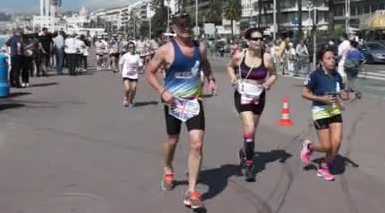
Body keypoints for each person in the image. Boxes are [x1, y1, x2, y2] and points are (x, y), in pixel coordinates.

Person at [145, 13, 215, 210]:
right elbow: (149, 72)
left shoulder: (199, 47)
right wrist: (162, 91)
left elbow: (205, 63)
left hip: (193, 102)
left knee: (197, 144)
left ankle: (191, 191)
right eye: (181, 24)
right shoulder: (166, 50)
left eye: (187, 24)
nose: (185, 27)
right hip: (173, 103)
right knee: (172, 140)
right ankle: (168, 169)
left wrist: (211, 79)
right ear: (174, 27)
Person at [226, 28, 277, 181]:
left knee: (252, 131)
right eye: (255, 39)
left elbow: (274, 74)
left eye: (261, 38)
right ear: (247, 41)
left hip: (259, 95)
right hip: (243, 95)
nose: (259, 41)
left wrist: (268, 83)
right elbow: (229, 67)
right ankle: (249, 165)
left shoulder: (266, 58)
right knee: (249, 127)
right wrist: (233, 78)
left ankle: (244, 152)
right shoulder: (240, 56)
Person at [300, 47, 353, 182]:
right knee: (327, 146)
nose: (332, 61)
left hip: (334, 109)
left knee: (337, 142)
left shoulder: (337, 75)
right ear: (321, 61)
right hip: (320, 111)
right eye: (328, 59)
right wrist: (321, 99)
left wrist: (345, 94)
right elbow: (304, 93)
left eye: (333, 58)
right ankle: (309, 146)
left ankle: (324, 166)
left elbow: (343, 94)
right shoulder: (315, 75)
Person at [119, 41, 143, 107]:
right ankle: (126, 98)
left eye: (133, 47)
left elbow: (140, 65)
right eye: (130, 47)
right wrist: (120, 71)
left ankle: (131, 101)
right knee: (127, 88)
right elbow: (120, 63)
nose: (131, 48)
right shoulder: (125, 56)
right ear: (128, 48)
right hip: (126, 74)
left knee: (133, 89)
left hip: (134, 74)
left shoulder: (137, 56)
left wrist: (141, 70)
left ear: (135, 48)